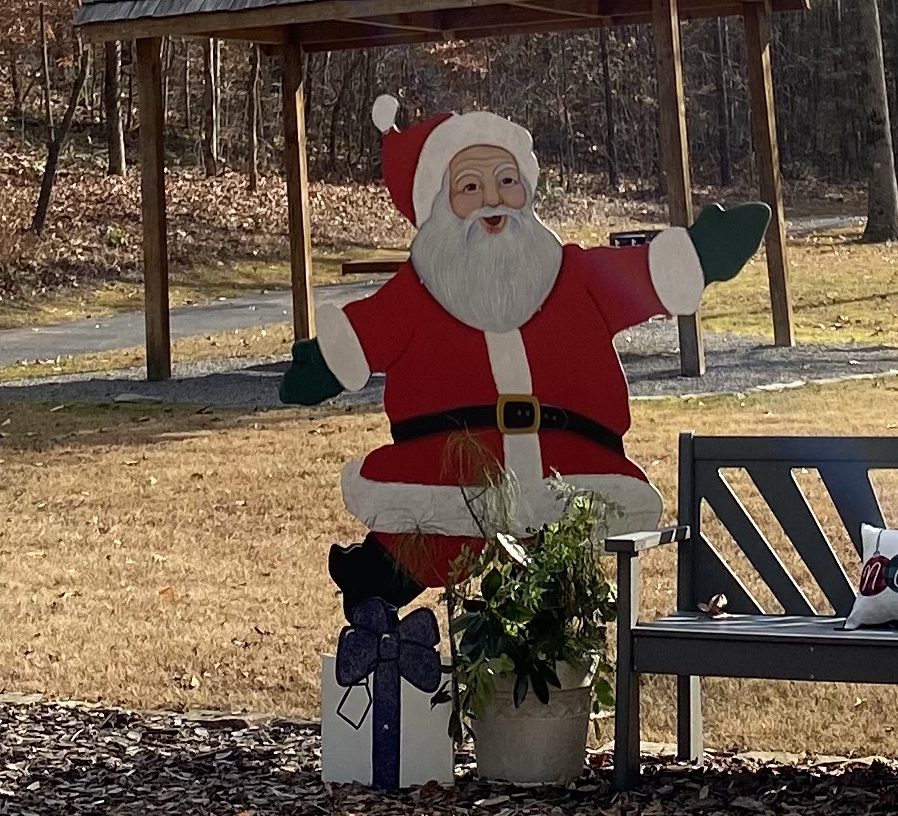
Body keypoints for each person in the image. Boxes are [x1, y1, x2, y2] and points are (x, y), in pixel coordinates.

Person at [282, 97, 767, 593]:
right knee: (431, 532)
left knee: (558, 557)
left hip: (570, 462)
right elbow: (362, 338)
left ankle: (554, 621)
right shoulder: (416, 297)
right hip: (453, 465)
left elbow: (645, 275)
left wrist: (700, 254)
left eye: (507, 181)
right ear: (439, 205)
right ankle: (378, 597)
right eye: (470, 187)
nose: (493, 199)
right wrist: (322, 365)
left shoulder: (576, 278)